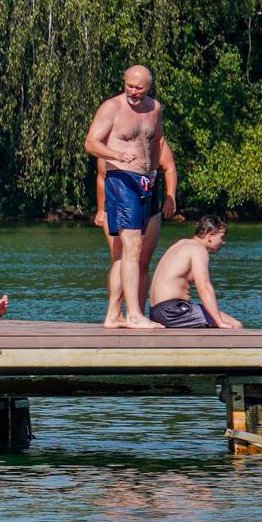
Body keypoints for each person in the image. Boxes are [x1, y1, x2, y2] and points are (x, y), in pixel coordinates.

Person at [84, 65, 169, 329]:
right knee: (132, 248)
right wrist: (117, 155)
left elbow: (156, 142)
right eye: (129, 86)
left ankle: (113, 315)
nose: (133, 92)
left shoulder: (154, 109)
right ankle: (134, 314)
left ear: (148, 87)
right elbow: (90, 143)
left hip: (144, 181)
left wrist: (153, 171)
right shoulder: (112, 108)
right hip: (120, 179)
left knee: (125, 253)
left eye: (139, 88)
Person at [92, 138, 179, 326]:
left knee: (142, 261)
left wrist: (170, 196)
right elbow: (101, 176)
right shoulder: (112, 145)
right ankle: (114, 312)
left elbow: (169, 167)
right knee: (119, 257)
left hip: (150, 202)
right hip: (117, 201)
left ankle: (137, 311)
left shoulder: (157, 142)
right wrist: (100, 209)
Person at [147, 216, 242, 329]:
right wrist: (219, 322)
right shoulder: (198, 249)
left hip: (155, 312)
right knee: (235, 325)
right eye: (221, 237)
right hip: (172, 312)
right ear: (210, 235)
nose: (223, 242)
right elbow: (204, 287)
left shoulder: (181, 244)